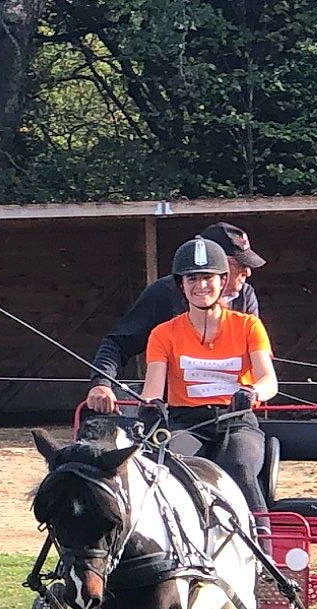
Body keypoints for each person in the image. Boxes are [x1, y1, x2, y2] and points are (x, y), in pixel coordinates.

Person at [138, 235, 278, 519]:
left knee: (238, 465)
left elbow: (269, 381)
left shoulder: (249, 326)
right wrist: (151, 407)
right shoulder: (163, 334)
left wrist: (252, 393)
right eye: (192, 279)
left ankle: (262, 548)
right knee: (173, 464)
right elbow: (152, 388)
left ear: (223, 281)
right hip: (189, 423)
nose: (200, 286)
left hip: (236, 423)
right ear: (181, 285)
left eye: (207, 278)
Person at [84, 222, 264, 415]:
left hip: (234, 414)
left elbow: (258, 362)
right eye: (241, 265)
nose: (248, 272)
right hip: (178, 414)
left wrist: (254, 392)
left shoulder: (246, 297)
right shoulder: (163, 294)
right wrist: (101, 383)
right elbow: (118, 343)